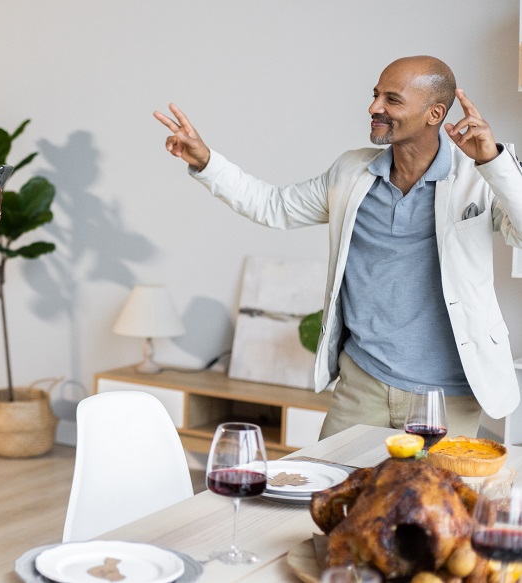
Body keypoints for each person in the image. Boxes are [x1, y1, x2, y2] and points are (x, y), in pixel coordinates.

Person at [155, 55, 522, 440]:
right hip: (362, 385)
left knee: (434, 501)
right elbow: (273, 206)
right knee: (331, 494)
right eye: (376, 95)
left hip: (447, 395)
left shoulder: (480, 174)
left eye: (392, 100)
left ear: (434, 114)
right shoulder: (351, 172)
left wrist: (494, 162)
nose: (374, 107)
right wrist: (207, 162)